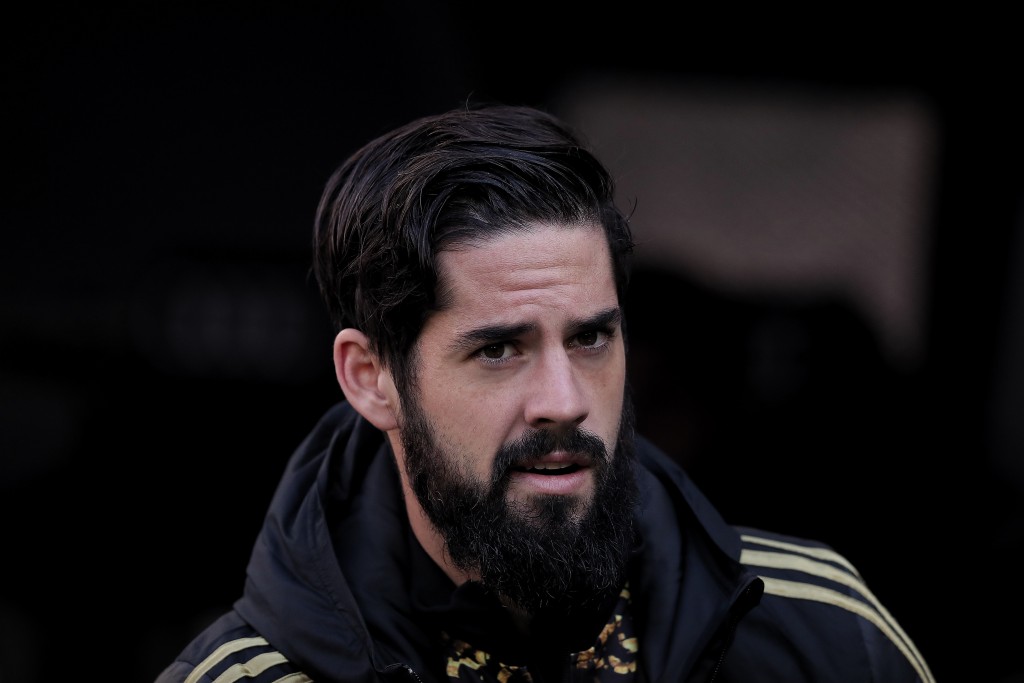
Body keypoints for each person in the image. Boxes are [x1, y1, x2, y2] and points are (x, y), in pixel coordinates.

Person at [154, 103, 935, 683]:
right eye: (498, 349)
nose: (564, 400)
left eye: (591, 338)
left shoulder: (823, 633)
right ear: (372, 377)